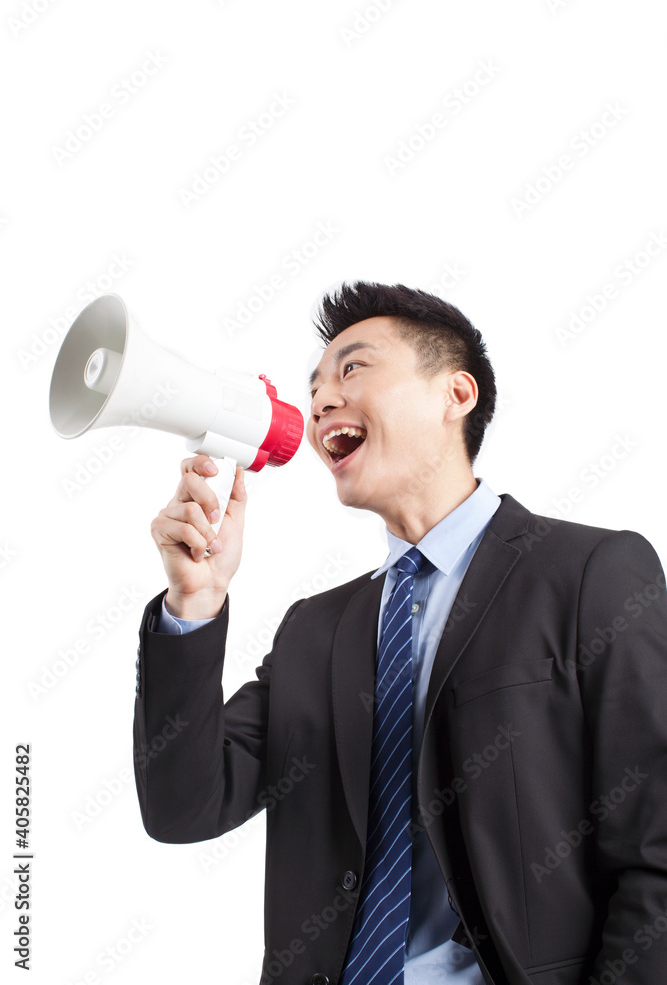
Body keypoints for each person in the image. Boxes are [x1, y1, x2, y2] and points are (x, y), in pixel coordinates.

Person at [133, 281, 667, 985]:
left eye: (352, 369)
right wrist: (193, 604)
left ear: (456, 395)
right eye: (314, 385)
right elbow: (183, 807)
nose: (320, 400)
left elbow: (654, 852)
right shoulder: (313, 631)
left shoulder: (591, 572)